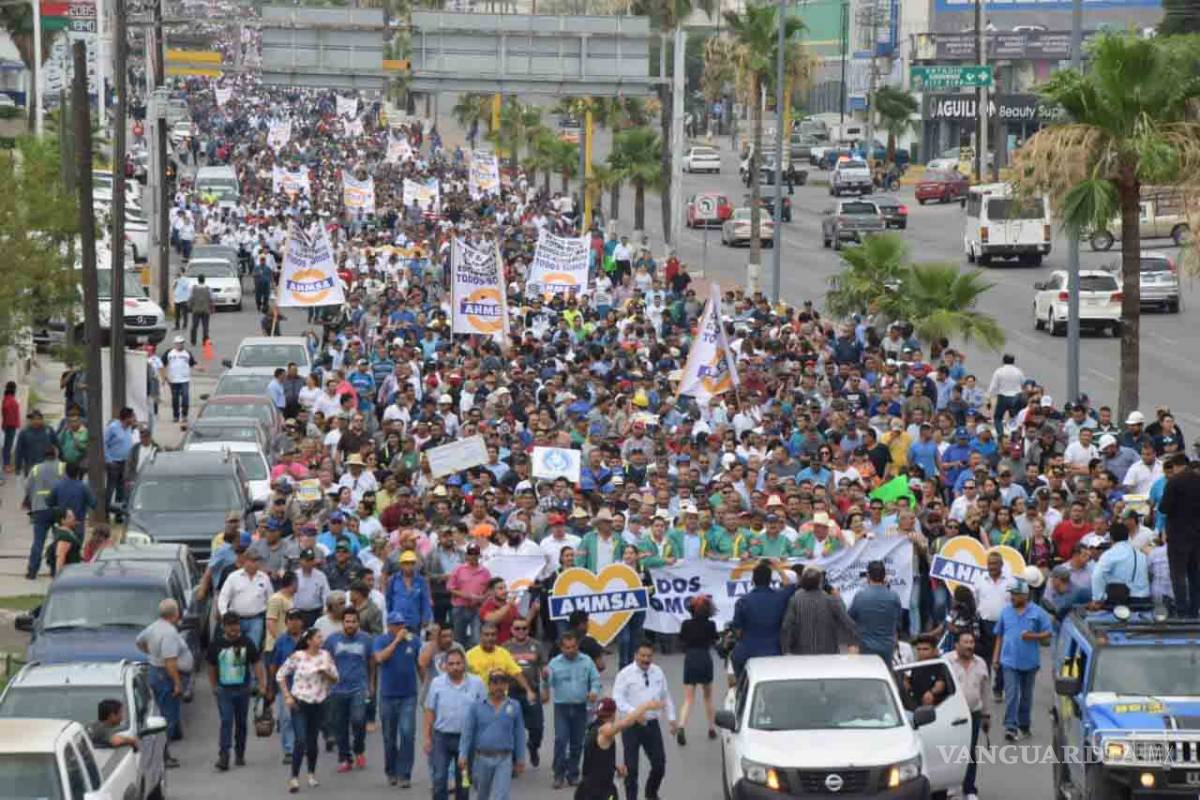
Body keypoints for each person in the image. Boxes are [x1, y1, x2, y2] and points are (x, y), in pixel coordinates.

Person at [277, 627, 340, 792]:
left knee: (312, 741)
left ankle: (311, 773)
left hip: (318, 703)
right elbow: (280, 674)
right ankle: (294, 777)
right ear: (309, 640)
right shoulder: (298, 657)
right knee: (300, 739)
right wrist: (287, 696)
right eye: (318, 637)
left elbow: (335, 678)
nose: (321, 640)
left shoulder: (325, 656)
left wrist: (325, 673)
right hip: (300, 703)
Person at [612, 641, 677, 800]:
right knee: (631, 769)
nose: (646, 659)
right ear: (635, 655)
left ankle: (651, 793)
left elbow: (665, 696)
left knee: (659, 764)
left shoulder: (658, 672)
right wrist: (634, 713)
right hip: (631, 725)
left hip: (651, 724)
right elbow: (617, 698)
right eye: (642, 656)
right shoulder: (625, 674)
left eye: (649, 656)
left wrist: (672, 718)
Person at [991, 579, 1052, 742]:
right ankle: (1010, 727)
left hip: (1030, 663)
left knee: (1026, 696)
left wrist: (1033, 636)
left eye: (1015, 594)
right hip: (1009, 661)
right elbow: (999, 636)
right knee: (1011, 694)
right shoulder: (1005, 612)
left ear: (1025, 595)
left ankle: (1024, 725)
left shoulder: (1038, 613)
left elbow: (1048, 634)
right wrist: (996, 658)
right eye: (1011, 594)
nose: (1012, 597)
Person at [136, 598, 192, 768]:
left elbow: (139, 641)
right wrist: (177, 683)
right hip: (166, 677)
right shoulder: (169, 633)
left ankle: (161, 754)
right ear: (175, 614)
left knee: (162, 715)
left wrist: (152, 654)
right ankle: (162, 755)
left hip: (157, 672)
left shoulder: (153, 627)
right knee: (169, 719)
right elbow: (170, 662)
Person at [424, 649, 486, 800]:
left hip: (466, 740)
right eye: (451, 664)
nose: (455, 667)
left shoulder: (477, 683)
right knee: (439, 778)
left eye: (458, 663)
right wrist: (427, 737)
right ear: (445, 666)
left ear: (464, 664)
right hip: (441, 738)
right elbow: (429, 711)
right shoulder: (437, 683)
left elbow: (484, 711)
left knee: (463, 781)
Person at [207, 611, 266, 771]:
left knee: (241, 723)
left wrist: (262, 684)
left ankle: (240, 752)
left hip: (243, 689)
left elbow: (256, 664)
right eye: (231, 625)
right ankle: (224, 755)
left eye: (236, 625)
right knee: (226, 721)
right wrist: (214, 687)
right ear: (224, 627)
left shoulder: (247, 642)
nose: (234, 629)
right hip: (224, 690)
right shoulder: (216, 645)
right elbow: (211, 667)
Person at [575, 696, 662, 800]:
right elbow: (626, 722)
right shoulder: (604, 730)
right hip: (600, 792)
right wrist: (645, 706)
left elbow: (597, 760)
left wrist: (614, 768)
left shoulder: (593, 729)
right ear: (613, 714)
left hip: (585, 791)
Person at [546, 630, 602, 789]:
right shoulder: (554, 663)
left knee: (578, 743)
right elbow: (547, 683)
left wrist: (594, 692)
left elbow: (596, 680)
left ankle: (573, 774)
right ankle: (558, 775)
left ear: (578, 646)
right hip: (562, 708)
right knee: (561, 740)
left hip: (580, 707)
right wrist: (544, 679)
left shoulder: (587, 661)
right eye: (567, 647)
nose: (570, 650)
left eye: (573, 647)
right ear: (561, 648)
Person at [459, 670, 527, 800]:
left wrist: (520, 758)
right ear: (489, 685)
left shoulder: (514, 705)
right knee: (482, 795)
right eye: (495, 683)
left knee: (501, 796)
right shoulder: (477, 706)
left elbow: (519, 733)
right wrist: (463, 754)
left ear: (507, 686)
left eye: (502, 683)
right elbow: (467, 731)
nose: (499, 687)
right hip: (481, 758)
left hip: (504, 758)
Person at [374, 611, 422, 788]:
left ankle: (405, 774)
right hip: (388, 695)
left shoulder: (414, 641)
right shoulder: (381, 640)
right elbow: (379, 658)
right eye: (396, 624)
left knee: (407, 733)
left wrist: (426, 687)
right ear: (389, 626)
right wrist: (396, 641)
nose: (401, 627)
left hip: (408, 694)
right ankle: (391, 770)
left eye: (402, 624)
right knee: (389, 736)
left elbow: (420, 664)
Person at [324, 606, 375, 772]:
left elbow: (371, 663)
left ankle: (359, 749)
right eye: (347, 621)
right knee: (340, 726)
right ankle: (345, 758)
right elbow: (325, 661)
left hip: (358, 687)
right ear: (342, 622)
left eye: (353, 621)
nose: (350, 624)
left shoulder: (366, 639)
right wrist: (326, 684)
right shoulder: (332, 640)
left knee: (359, 720)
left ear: (358, 623)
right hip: (337, 689)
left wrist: (371, 684)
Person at [944, 630, 990, 800]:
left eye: (971, 642)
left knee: (970, 751)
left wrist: (986, 715)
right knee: (950, 750)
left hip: (974, 714)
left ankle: (969, 789)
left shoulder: (981, 663)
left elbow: (985, 691)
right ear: (957, 645)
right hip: (951, 715)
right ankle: (949, 787)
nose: (970, 646)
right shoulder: (947, 662)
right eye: (966, 642)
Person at [730, 561, 793, 676]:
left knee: (736, 665)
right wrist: (778, 567)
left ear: (753, 581)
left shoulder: (743, 601)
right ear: (770, 580)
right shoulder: (779, 597)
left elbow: (738, 631)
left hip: (747, 651)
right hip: (773, 651)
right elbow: (790, 586)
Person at [780, 567, 859, 655]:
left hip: (802, 654)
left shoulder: (795, 600)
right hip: (828, 653)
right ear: (820, 583)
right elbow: (847, 622)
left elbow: (787, 626)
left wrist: (786, 650)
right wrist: (853, 643)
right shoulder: (831, 600)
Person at [503, 614, 547, 769]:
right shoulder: (505, 647)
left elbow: (544, 669)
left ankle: (533, 747)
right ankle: (514, 761)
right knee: (511, 727)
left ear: (529, 629)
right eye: (517, 628)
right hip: (512, 692)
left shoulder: (537, 645)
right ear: (511, 630)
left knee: (537, 727)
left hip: (532, 692)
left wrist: (545, 689)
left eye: (524, 628)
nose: (521, 631)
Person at [1159, 454, 1200, 617]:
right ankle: (1194, 610)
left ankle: (1182, 612)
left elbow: (1163, 508)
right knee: (1195, 574)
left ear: (1175, 466)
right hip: (1197, 535)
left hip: (1178, 535)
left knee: (1178, 575)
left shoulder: (1174, 482)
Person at [675, 595, 718, 745]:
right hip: (705, 658)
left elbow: (681, 641)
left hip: (691, 658)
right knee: (708, 697)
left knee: (688, 699)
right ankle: (711, 728)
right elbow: (715, 640)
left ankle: (681, 726)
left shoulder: (686, 624)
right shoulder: (711, 625)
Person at [848, 559, 904, 662]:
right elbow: (898, 622)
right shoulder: (894, 597)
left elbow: (850, 618)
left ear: (868, 576)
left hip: (865, 648)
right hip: (887, 648)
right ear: (885, 576)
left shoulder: (860, 596)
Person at [270, 609, 306, 764]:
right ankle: (289, 750)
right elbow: (274, 664)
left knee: (304, 718)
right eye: (291, 619)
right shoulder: (281, 641)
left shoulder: (309, 640)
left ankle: (303, 746)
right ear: (286, 622)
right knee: (286, 719)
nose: (294, 622)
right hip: (286, 686)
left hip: (306, 686)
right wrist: (273, 684)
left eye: (297, 619)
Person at [218, 550, 273, 652]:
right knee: (234, 649)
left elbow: (270, 599)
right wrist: (224, 615)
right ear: (245, 562)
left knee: (253, 648)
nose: (255, 564)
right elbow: (223, 597)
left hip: (256, 620)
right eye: (252, 561)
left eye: (257, 561)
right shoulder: (233, 577)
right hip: (235, 620)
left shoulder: (264, 578)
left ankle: (251, 667)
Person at [1091, 521, 1151, 603]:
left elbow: (1097, 575)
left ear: (1111, 537)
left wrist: (1098, 599)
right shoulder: (1140, 554)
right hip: (1144, 600)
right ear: (1128, 535)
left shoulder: (1110, 554)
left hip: (1122, 602)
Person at [447, 542, 490, 648]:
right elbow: (450, 588)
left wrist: (482, 598)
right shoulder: (458, 569)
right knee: (458, 638)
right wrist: (466, 595)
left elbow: (489, 590)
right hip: (460, 608)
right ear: (466, 555)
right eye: (470, 554)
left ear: (479, 556)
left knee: (476, 638)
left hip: (477, 608)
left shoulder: (485, 572)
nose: (473, 556)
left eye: (475, 554)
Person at [162, 336, 197, 424]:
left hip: (184, 380)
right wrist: (164, 376)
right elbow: (162, 365)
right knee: (175, 399)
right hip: (173, 380)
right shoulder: (169, 353)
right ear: (175, 344)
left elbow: (192, 364)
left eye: (181, 343)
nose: (180, 345)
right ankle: (176, 416)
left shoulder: (187, 353)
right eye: (178, 343)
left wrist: (199, 368)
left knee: (185, 397)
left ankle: (184, 415)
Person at [189, 273, 213, 346]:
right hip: (206, 310)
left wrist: (190, 306)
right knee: (205, 326)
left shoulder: (193, 288)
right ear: (204, 280)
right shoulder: (208, 288)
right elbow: (211, 299)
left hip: (196, 310)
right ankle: (205, 340)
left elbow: (191, 298)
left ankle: (193, 341)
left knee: (194, 326)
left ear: (198, 280)